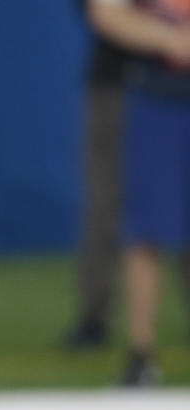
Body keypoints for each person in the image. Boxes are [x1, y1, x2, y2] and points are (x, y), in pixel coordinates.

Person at [86, 0, 190, 385]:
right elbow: (107, 11)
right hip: (156, 94)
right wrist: (168, 38)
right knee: (146, 227)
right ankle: (140, 352)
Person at [63, 4, 131, 350]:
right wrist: (175, 40)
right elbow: (107, 14)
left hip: (175, 88)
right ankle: (95, 317)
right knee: (105, 204)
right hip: (118, 83)